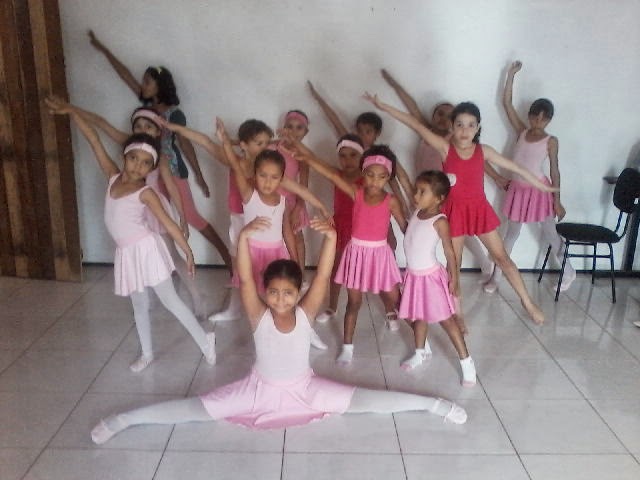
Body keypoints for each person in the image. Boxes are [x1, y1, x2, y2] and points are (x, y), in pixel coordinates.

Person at [89, 217, 467, 445]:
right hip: (258, 390)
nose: (281, 299)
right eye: (274, 292)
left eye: (288, 293)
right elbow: (246, 280)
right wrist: (242, 240)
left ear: (298, 293)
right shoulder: (259, 314)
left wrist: (332, 239)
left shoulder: (305, 311)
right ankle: (125, 419)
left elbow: (323, 276)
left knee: (366, 402)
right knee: (197, 409)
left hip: (306, 388)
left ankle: (434, 405)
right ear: (265, 292)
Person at [46, 98, 215, 372]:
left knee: (170, 301)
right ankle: (147, 353)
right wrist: (72, 112)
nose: (137, 166)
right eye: (133, 158)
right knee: (139, 304)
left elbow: (168, 223)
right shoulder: (112, 177)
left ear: (151, 169)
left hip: (147, 250)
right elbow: (93, 139)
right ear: (125, 157)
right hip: (126, 253)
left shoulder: (145, 193)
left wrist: (188, 250)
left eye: (145, 163)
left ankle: (206, 341)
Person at [365, 93, 558, 328]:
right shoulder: (445, 148)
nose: (465, 130)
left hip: (479, 209)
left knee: (502, 258)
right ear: (452, 127)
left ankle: (528, 303)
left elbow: (516, 167)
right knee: (453, 266)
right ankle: (458, 314)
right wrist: (382, 105)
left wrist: (541, 185)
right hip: (454, 211)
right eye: (459, 125)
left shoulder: (483, 151)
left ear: (477, 128)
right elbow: (414, 124)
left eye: (470, 125)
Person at [88, 31, 232, 274]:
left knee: (191, 217)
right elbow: (125, 75)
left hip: (172, 172)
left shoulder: (174, 113)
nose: (142, 85)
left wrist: (199, 175)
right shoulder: (145, 110)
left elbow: (185, 144)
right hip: (148, 173)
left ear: (159, 85)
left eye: (148, 82)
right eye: (143, 82)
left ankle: (228, 260)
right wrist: (104, 50)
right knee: (151, 218)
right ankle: (164, 269)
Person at [380, 68, 509, 282]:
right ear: (432, 117)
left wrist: (497, 177)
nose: (443, 118)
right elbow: (411, 106)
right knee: (438, 233)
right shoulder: (427, 132)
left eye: (449, 116)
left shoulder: (456, 141)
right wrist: (394, 85)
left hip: (446, 193)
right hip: (427, 192)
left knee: (460, 232)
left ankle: (483, 264)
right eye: (439, 113)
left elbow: (479, 161)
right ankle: (425, 274)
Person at [217, 118, 331, 350]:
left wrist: (320, 207)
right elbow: (235, 165)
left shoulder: (282, 200)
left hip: (276, 253)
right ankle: (267, 336)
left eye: (274, 177)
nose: (268, 182)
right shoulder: (248, 193)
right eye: (262, 175)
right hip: (253, 254)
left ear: (281, 179)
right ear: (254, 174)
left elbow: (288, 228)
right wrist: (225, 142)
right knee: (261, 298)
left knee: (286, 297)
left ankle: (306, 332)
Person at [292, 142, 408, 364]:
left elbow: (405, 227)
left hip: (380, 256)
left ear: (388, 178)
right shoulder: (357, 192)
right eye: (370, 175)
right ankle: (347, 346)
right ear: (363, 173)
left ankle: (421, 343)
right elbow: (331, 175)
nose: (375, 181)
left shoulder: (391, 201)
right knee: (353, 303)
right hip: (356, 254)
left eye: (381, 177)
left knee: (397, 299)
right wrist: (307, 159)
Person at [483, 61, 576, 294]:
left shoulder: (550, 141)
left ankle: (568, 271)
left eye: (542, 119)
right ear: (529, 116)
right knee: (511, 234)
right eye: (534, 117)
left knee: (550, 233)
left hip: (539, 191)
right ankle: (496, 275)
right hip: (518, 190)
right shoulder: (522, 132)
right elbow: (506, 103)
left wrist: (557, 201)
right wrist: (511, 74)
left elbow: (554, 171)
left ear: (549, 120)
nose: (537, 122)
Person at [307, 80, 412, 240]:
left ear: (377, 133)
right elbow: (336, 122)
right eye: (360, 131)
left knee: (387, 237)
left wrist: (403, 202)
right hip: (355, 203)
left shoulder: (382, 155)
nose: (363, 135)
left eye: (368, 132)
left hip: (376, 205)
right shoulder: (352, 146)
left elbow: (394, 180)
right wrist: (319, 99)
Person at [400, 171, 476, 386]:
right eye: (416, 191)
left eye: (422, 192)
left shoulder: (439, 221)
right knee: (419, 316)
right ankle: (420, 352)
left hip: (430, 278)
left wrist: (455, 279)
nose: (416, 195)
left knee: (447, 321)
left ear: (439, 198)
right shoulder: (417, 212)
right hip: (414, 276)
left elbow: (450, 252)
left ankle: (467, 362)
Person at [314, 134, 366, 324]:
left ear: (362, 156)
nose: (348, 160)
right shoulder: (337, 175)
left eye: (353, 155)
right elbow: (314, 161)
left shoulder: (368, 178)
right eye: (343, 156)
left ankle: (389, 308)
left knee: (359, 272)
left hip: (360, 230)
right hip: (339, 227)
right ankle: (332, 306)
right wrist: (296, 146)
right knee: (334, 267)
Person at [275, 110, 312, 271]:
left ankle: (300, 273)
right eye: (289, 127)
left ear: (306, 132)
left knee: (296, 238)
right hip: (273, 199)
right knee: (274, 237)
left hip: (291, 202)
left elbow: (303, 184)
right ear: (284, 128)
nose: (293, 131)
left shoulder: (303, 155)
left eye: (299, 128)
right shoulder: (274, 147)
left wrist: (298, 207)